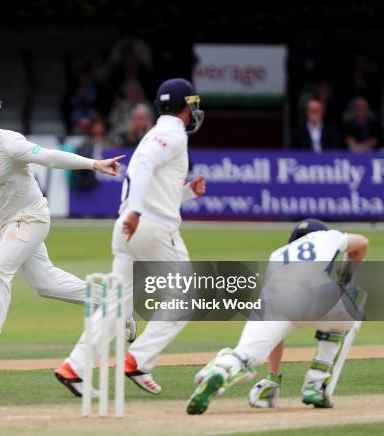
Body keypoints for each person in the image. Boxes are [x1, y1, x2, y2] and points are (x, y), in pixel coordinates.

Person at [0, 89, 124, 370]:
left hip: (31, 217)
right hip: (8, 222)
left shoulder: (10, 143)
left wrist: (93, 164)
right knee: (45, 283)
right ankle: (114, 301)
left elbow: (49, 157)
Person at [54, 78, 206, 397]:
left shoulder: (157, 133)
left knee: (117, 307)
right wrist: (137, 212)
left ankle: (74, 367)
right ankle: (138, 359)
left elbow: (151, 184)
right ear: (184, 106)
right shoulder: (171, 133)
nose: (195, 111)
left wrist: (187, 193)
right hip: (149, 226)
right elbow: (143, 168)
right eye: (192, 104)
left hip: (128, 227)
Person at [187, 219, 369, 414]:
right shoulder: (327, 236)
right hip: (317, 297)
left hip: (274, 302)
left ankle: (221, 370)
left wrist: (273, 376)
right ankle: (316, 384)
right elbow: (362, 243)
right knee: (356, 298)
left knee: (245, 354)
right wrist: (345, 277)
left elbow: (277, 336)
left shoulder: (277, 255)